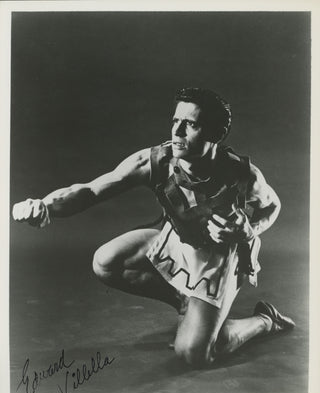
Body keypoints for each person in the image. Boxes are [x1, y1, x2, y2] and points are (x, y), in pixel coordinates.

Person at [12, 87, 295, 368]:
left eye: (191, 124)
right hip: (177, 240)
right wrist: (46, 205)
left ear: (214, 133)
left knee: (194, 354)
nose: (178, 131)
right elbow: (90, 191)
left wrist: (249, 230)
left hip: (220, 259)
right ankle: (187, 304)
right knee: (106, 262)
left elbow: (272, 207)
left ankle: (265, 320)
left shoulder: (242, 173)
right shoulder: (155, 161)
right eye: (175, 121)